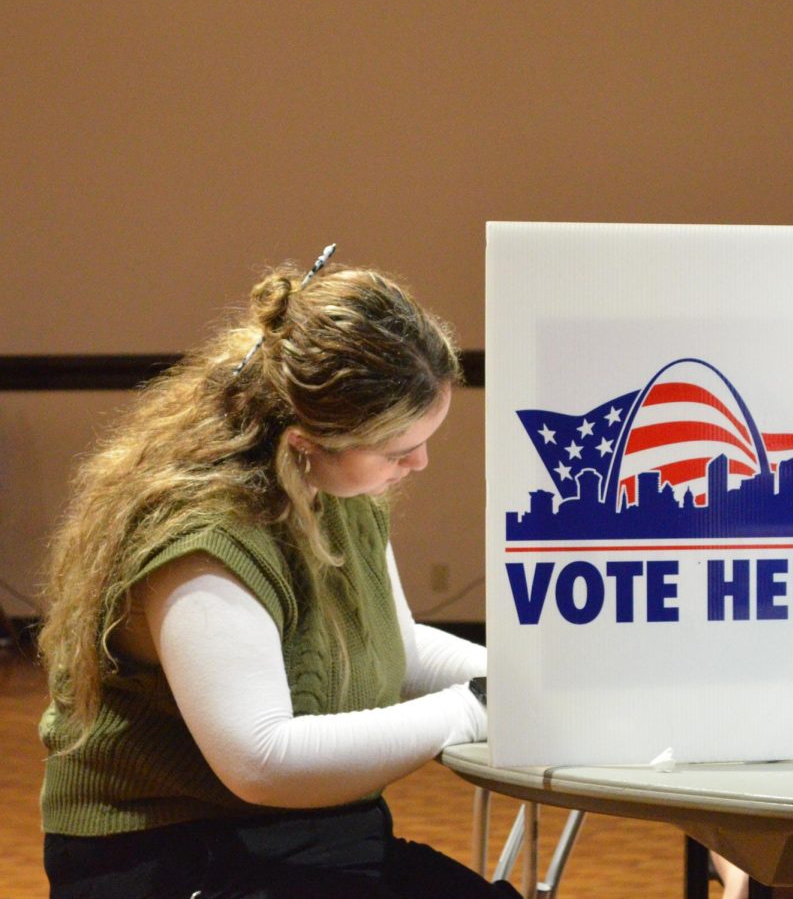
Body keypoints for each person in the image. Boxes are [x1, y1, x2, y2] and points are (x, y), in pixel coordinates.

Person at [37, 250, 519, 898]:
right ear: (303, 442)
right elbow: (261, 760)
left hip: (308, 838)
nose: (421, 462)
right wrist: (473, 708)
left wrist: (522, 681)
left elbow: (399, 648)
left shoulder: (340, 492)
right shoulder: (204, 541)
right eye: (398, 450)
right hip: (175, 855)